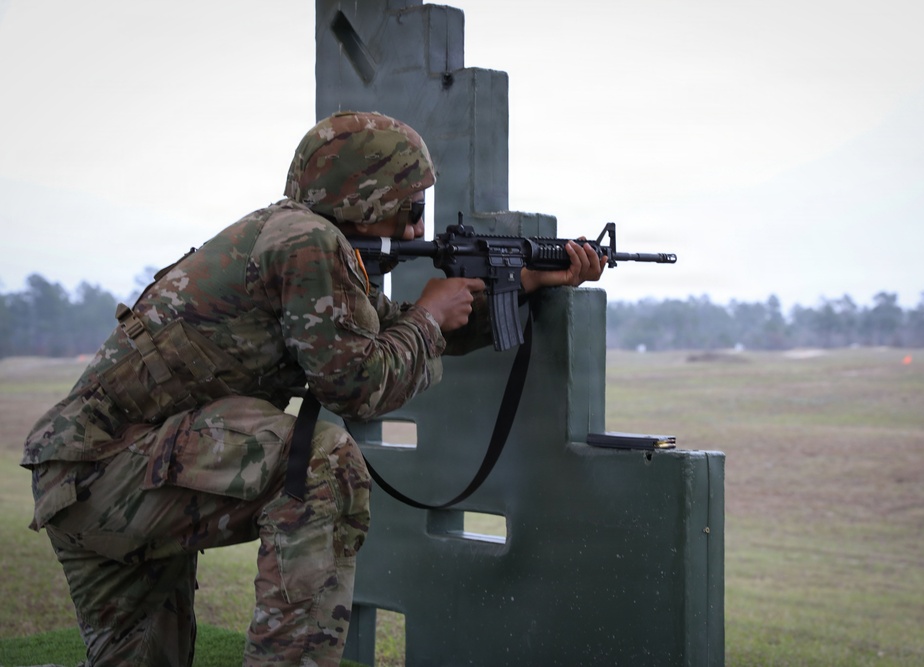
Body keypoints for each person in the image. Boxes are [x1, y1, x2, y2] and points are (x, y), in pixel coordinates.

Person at [22, 111, 606, 667]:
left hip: (86, 482)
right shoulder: (308, 244)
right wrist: (428, 319)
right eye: (409, 207)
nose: (416, 228)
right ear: (364, 197)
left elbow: (378, 332)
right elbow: (359, 383)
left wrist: (521, 282)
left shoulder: (289, 235)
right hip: (113, 472)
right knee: (322, 465)